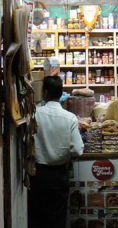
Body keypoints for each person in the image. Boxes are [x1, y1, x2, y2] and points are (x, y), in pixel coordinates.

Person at [28, 76, 84, 228]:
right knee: (57, 218)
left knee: (36, 218)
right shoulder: (70, 118)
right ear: (61, 94)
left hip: (37, 175)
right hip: (59, 175)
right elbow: (78, 150)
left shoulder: (33, 114)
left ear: (45, 92)